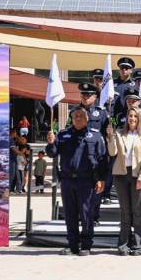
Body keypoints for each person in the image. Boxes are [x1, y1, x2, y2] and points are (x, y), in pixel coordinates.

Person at [46, 108, 108, 256]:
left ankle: (86, 245)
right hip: (67, 180)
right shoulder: (63, 134)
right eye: (75, 116)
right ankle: (72, 245)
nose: (78, 119)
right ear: (71, 119)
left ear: (87, 119)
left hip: (86, 181)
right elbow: (52, 153)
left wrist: (101, 179)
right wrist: (50, 143)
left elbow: (103, 159)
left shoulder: (95, 135)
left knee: (86, 214)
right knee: (70, 214)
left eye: (81, 116)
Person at [106, 106, 141, 256]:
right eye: (130, 116)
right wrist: (110, 137)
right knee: (125, 212)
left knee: (137, 212)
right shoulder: (119, 133)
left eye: (135, 116)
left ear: (140, 119)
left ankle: (139, 245)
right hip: (121, 175)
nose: (132, 119)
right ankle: (123, 244)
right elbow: (112, 152)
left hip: (137, 176)